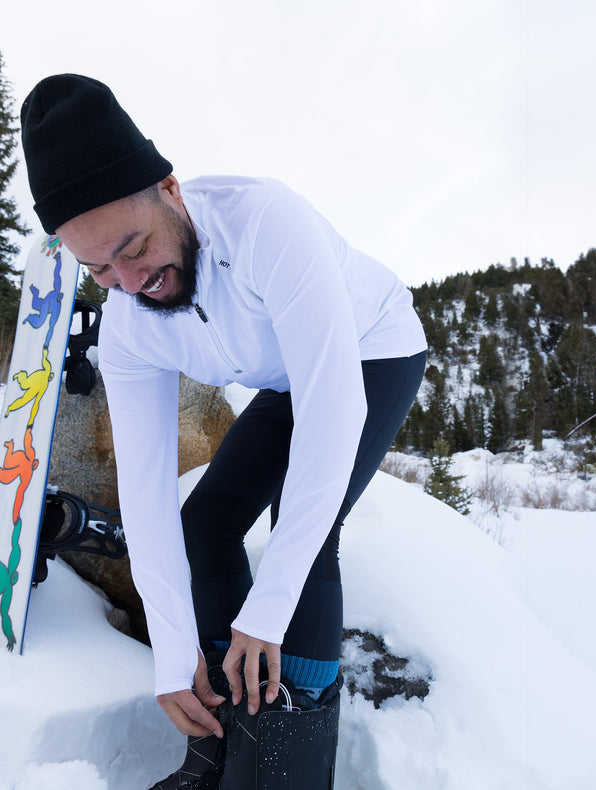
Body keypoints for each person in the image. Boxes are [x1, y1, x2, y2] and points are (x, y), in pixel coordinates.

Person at [20, 74, 427, 788]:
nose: (128, 279)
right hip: (285, 382)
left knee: (304, 533)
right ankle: (220, 737)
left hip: (371, 351)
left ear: (170, 191)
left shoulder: (266, 223)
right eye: (99, 269)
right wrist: (176, 658)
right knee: (201, 523)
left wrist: (264, 615)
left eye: (134, 247)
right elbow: (145, 494)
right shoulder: (127, 326)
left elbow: (332, 415)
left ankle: (286, 756)